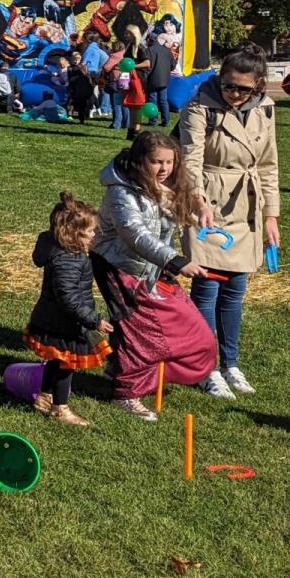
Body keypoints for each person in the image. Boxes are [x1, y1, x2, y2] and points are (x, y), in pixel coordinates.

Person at [178, 45, 281, 399]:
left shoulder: (266, 110)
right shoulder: (198, 107)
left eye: (242, 89)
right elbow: (189, 160)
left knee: (235, 290)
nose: (234, 94)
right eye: (228, 86)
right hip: (208, 201)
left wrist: (271, 216)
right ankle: (204, 368)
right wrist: (198, 200)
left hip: (247, 207)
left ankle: (231, 364)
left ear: (259, 87)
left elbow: (269, 165)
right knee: (206, 287)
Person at [90, 131, 213, 420]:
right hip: (119, 266)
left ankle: (119, 368)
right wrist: (175, 261)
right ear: (139, 161)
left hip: (151, 268)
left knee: (191, 326)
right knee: (140, 332)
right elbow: (134, 232)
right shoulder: (121, 190)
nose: (164, 169)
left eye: (169, 162)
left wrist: (201, 210)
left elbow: (170, 215)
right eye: (157, 162)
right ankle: (127, 392)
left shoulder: (165, 185)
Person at [23, 193, 109, 427]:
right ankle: (60, 408)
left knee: (56, 360)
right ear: (73, 233)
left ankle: (44, 396)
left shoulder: (59, 249)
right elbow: (68, 298)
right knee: (65, 366)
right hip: (64, 324)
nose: (94, 235)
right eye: (90, 231)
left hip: (53, 320)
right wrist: (94, 320)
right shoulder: (68, 260)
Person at [142, 29, 176, 133]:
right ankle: (166, 120)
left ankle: (153, 120)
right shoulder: (166, 50)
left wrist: (144, 77)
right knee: (163, 100)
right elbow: (173, 65)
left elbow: (148, 66)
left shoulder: (149, 50)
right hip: (165, 79)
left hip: (153, 78)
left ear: (150, 40)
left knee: (153, 100)